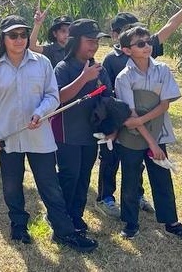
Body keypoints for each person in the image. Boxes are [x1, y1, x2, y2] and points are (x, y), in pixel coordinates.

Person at [0, 15, 97, 252]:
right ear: (4, 38)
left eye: (23, 34)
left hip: (39, 135)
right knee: (12, 185)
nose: (19, 39)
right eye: (13, 35)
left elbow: (52, 95)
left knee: (50, 186)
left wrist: (40, 112)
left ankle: (64, 232)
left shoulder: (42, 63)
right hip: (8, 137)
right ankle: (19, 226)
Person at [97, 0, 182, 218]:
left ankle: (138, 196)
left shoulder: (144, 47)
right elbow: (107, 92)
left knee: (139, 163)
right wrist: (112, 124)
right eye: (127, 29)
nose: (140, 38)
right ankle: (105, 197)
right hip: (121, 118)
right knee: (111, 159)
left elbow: (170, 25)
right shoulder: (111, 59)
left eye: (137, 29)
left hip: (145, 120)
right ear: (116, 36)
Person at [114, 25, 182, 242]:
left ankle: (171, 222)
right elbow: (129, 113)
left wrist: (142, 122)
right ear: (126, 50)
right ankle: (131, 223)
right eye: (140, 44)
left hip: (156, 131)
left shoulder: (162, 70)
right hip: (132, 137)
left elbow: (165, 105)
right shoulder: (124, 77)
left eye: (148, 42)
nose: (146, 47)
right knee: (131, 180)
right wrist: (152, 143)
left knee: (162, 177)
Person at [53, 19, 113, 237]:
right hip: (67, 133)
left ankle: (76, 215)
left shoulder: (100, 69)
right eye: (89, 41)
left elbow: (108, 97)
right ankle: (60, 218)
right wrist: (83, 78)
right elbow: (58, 98)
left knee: (84, 177)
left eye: (96, 42)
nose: (94, 46)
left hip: (90, 134)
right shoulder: (63, 67)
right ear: (75, 41)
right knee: (69, 176)